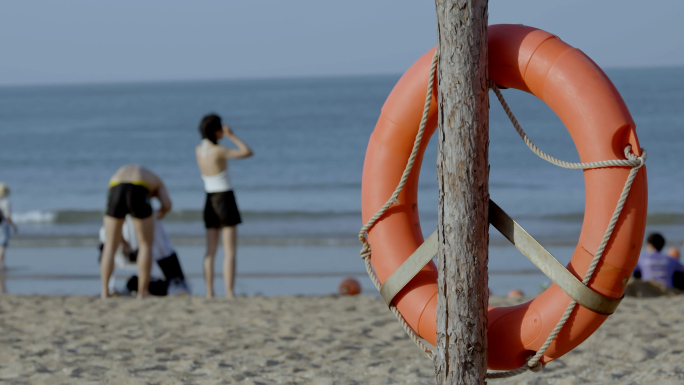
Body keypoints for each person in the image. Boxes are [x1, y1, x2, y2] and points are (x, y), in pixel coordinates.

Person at [195, 114, 252, 298]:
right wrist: (232, 136)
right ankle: (229, 291)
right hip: (225, 198)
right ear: (216, 130)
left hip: (209, 198)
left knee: (210, 250)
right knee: (229, 251)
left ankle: (209, 291)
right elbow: (247, 152)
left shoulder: (199, 150)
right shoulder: (218, 150)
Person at [101, 165, 172, 299]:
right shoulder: (156, 181)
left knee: (110, 245)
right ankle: (142, 292)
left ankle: (105, 292)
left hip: (115, 186)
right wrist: (161, 213)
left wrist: (122, 239)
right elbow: (167, 204)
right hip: (139, 187)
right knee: (145, 245)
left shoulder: (121, 172)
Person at [98, 214, 190, 296]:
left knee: (108, 244)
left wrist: (123, 242)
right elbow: (167, 204)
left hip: (116, 252)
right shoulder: (145, 204)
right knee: (148, 245)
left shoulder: (115, 199)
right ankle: (143, 290)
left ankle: (105, 290)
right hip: (140, 250)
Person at [0, 183, 18, 271]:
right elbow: (7, 216)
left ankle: (3, 265)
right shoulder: (5, 201)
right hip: (4, 224)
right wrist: (13, 225)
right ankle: (2, 263)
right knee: (3, 245)